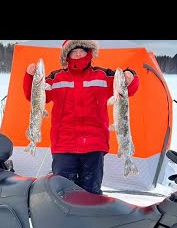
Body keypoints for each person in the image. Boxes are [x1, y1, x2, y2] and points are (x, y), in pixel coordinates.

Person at [23, 40, 140, 195]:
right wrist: (30, 76)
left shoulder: (103, 76)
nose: (78, 53)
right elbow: (34, 96)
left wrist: (130, 75)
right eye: (73, 50)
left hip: (94, 146)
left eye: (82, 50)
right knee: (61, 195)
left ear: (89, 52)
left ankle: (91, 219)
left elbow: (128, 89)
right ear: (67, 54)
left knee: (91, 196)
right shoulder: (56, 78)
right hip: (63, 146)